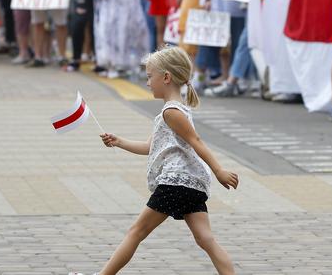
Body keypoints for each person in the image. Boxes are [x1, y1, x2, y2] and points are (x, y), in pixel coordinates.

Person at [98, 46, 239, 275]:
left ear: (166, 77)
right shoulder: (174, 111)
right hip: (192, 184)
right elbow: (150, 147)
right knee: (206, 239)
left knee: (137, 231)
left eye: (149, 76)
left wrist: (219, 170)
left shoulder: (171, 112)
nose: (147, 83)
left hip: (176, 182)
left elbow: (197, 141)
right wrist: (118, 141)